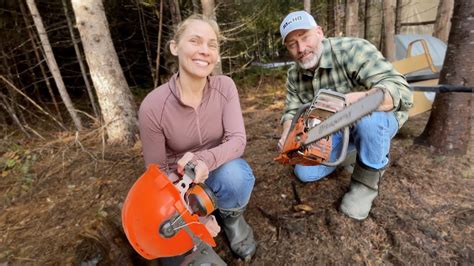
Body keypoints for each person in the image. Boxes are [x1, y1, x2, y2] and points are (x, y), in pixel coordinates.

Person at [138, 14, 256, 262]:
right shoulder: (153, 106)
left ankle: (232, 220)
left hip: (217, 171)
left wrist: (202, 161)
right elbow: (156, 173)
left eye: (212, 45)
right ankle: (196, 236)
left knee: (237, 174)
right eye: (195, 41)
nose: (204, 51)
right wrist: (197, 219)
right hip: (176, 187)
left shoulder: (225, 87)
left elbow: (237, 140)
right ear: (175, 47)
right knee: (170, 246)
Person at [277, 11, 413, 221]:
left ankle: (366, 183)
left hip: (375, 118)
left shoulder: (352, 49)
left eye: (305, 37)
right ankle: (356, 152)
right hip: (333, 127)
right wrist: (288, 133)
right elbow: (292, 110)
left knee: (368, 120)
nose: (301, 49)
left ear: (319, 32)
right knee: (304, 172)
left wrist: (352, 101)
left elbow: (399, 89)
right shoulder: (294, 74)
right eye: (293, 44)